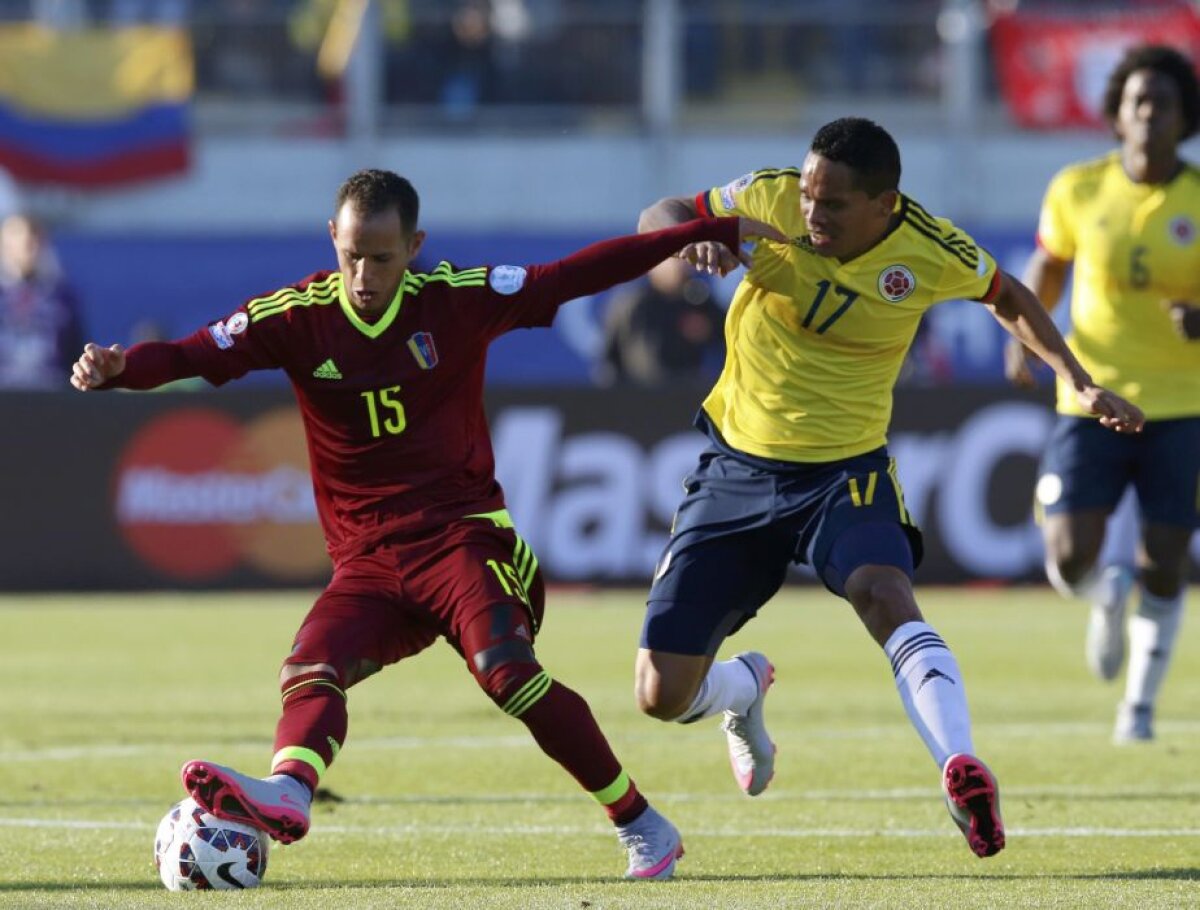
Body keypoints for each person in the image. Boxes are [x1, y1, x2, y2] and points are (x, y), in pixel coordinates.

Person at [71, 168, 783, 880]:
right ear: (332, 237)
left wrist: (702, 230)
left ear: (414, 246)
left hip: (463, 537)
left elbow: (574, 275)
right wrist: (121, 368)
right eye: (351, 255)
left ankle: (643, 826)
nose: (363, 276)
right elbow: (192, 353)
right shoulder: (295, 317)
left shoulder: (457, 300)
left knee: (507, 674)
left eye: (381, 258)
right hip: (367, 563)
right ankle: (289, 788)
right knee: (309, 667)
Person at [633, 117, 1145, 860]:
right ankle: (740, 688)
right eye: (810, 196)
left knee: (885, 592)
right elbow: (662, 213)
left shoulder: (929, 249)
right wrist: (687, 241)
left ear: (885, 204)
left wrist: (1078, 380)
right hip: (737, 467)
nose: (813, 213)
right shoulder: (770, 198)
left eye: (833, 204)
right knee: (660, 695)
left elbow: (1007, 295)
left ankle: (959, 766)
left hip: (846, 471)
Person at [1005, 44, 1200, 744]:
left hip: (1182, 404)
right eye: (1137, 102)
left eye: (1163, 104)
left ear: (1184, 118)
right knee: (1068, 556)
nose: (1149, 114)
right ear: (1117, 114)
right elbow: (1048, 268)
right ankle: (1103, 595)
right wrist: (1025, 338)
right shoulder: (1078, 188)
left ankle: (1138, 709)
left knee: (1165, 559)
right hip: (1092, 396)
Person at [596, 256, 726, 387]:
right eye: (673, 259)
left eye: (684, 260)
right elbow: (610, 356)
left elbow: (725, 332)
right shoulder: (632, 302)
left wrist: (708, 329)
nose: (679, 266)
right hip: (639, 389)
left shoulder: (697, 299)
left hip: (686, 389)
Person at [0, 213, 84, 390]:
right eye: (18, 235)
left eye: (35, 236)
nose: (28, 244)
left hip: (49, 391)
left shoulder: (61, 297)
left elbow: (75, 351)